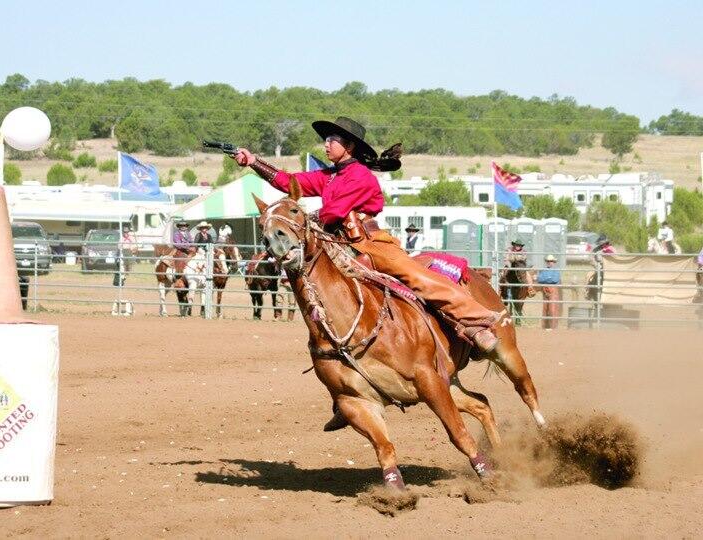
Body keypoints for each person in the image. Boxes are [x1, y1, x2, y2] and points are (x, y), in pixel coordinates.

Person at [233, 116, 503, 431]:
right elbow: (289, 182)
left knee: (418, 279)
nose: (326, 144)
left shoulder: (360, 176)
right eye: (327, 139)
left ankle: (475, 324)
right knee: (325, 303)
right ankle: (344, 393)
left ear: (348, 146)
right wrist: (254, 162)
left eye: (332, 140)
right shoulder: (330, 176)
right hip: (342, 246)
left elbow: (333, 212)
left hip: (372, 243)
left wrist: (299, 221)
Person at [536, 254, 561, 330]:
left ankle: (553, 327)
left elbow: (555, 280)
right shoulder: (543, 270)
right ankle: (545, 326)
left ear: (554, 262)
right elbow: (540, 279)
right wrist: (549, 279)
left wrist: (545, 279)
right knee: (545, 308)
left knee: (552, 308)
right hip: (545, 290)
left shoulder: (556, 271)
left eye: (551, 261)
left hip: (553, 290)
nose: (550, 262)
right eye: (548, 261)